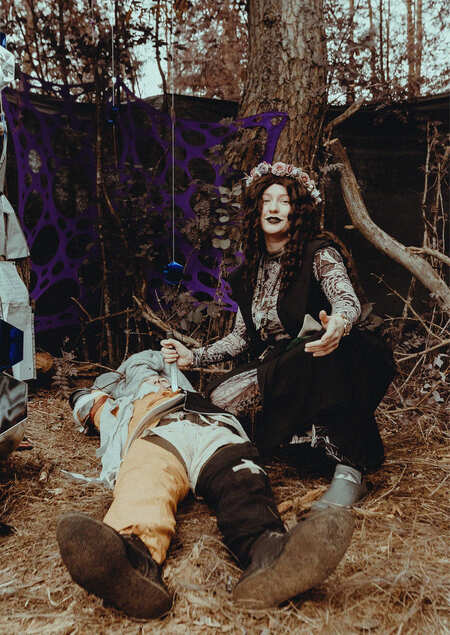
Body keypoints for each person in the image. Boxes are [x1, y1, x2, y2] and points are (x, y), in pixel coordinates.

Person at [162, 161, 395, 512]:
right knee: (218, 401)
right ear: (256, 210)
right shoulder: (249, 272)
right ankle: (296, 442)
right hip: (279, 366)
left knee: (315, 351)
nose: (274, 208)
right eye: (266, 201)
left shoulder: (319, 253)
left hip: (328, 356)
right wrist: (194, 356)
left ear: (298, 211)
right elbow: (241, 337)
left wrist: (338, 324)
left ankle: (349, 470)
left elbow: (346, 300)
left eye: (284, 201)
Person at [56, 350, 354, 619]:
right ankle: (132, 558)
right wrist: (101, 394)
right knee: (143, 482)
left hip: (210, 425)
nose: (153, 379)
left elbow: (151, 358)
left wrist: (143, 370)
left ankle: (266, 551)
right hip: (157, 433)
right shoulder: (115, 408)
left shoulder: (175, 384)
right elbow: (85, 406)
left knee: (241, 479)